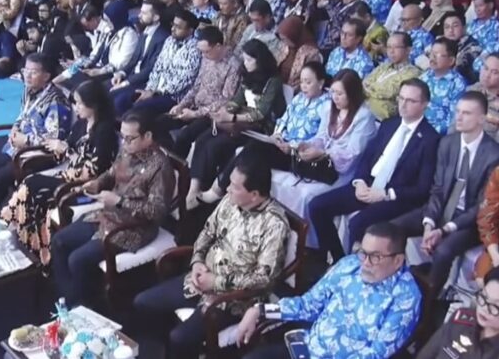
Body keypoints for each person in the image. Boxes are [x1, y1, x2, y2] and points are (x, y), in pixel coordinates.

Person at [133, 154, 290, 358]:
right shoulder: (230, 201)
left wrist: (216, 281)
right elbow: (207, 232)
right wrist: (197, 260)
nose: (228, 189)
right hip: (200, 280)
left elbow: (263, 279)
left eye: (235, 187)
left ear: (254, 194)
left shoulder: (274, 225)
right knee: (143, 303)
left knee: (180, 338)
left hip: (234, 300)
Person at [236, 222, 422, 359]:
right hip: (307, 347)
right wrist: (260, 310)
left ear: (398, 261)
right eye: (363, 253)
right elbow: (308, 305)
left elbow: (375, 354)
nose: (365, 263)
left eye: (375, 257)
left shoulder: (405, 297)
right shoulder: (350, 265)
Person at [51, 110, 175, 306]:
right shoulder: (127, 150)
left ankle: (84, 307)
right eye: (122, 137)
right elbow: (111, 173)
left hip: (134, 228)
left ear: (148, 136)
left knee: (77, 260)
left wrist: (119, 201)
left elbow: (157, 211)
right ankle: (69, 300)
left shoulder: (160, 167)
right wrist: (98, 183)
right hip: (107, 215)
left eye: (130, 138)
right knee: (59, 241)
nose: (124, 143)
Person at [309, 78, 439, 262]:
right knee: (317, 206)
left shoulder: (430, 139)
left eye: (411, 101)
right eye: (401, 98)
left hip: (394, 196)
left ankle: (355, 268)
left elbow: (422, 188)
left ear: (425, 105)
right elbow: (367, 157)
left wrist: (385, 194)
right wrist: (360, 182)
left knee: (358, 224)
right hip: (369, 184)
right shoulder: (389, 124)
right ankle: (337, 260)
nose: (403, 105)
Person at [392, 92, 499, 294]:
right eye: (458, 111)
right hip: (442, 208)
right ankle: (395, 283)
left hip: (470, 220)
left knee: (443, 251)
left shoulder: (494, 154)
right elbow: (438, 189)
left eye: (467, 113)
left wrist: (443, 230)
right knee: (394, 228)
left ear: (482, 119)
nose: (459, 117)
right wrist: (429, 224)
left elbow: (481, 206)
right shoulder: (447, 143)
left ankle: (431, 300)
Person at [0, 80, 118, 265]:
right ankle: (25, 238)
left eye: (79, 103)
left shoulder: (105, 133)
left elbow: (93, 172)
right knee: (31, 184)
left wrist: (66, 151)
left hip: (85, 186)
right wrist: (56, 148)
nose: (75, 107)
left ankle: (19, 232)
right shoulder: (82, 124)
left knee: (33, 185)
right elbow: (64, 149)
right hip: (68, 174)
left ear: (93, 105)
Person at [0, 53, 71, 214]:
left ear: (46, 76)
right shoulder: (28, 90)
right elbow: (22, 115)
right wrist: (15, 128)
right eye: (26, 70)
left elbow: (55, 140)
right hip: (15, 149)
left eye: (33, 72)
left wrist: (27, 140)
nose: (27, 75)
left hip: (36, 157)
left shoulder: (56, 101)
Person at [187, 40, 286, 208]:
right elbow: (237, 100)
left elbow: (261, 113)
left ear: (260, 60)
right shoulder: (248, 76)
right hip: (240, 122)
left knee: (215, 145)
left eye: (249, 60)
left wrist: (231, 117)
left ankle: (209, 192)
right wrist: (225, 111)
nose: (245, 63)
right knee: (203, 139)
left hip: (259, 128)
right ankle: (193, 188)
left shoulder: (273, 81)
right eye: (244, 59)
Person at [157, 26, 240, 159]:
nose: (203, 55)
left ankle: (178, 166)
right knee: (159, 123)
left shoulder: (233, 65)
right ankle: (164, 161)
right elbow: (196, 86)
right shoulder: (206, 58)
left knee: (184, 136)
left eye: (206, 51)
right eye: (201, 51)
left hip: (210, 115)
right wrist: (182, 105)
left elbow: (225, 100)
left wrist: (194, 114)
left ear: (218, 46)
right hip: (194, 106)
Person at [239, 61, 330, 173]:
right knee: (250, 147)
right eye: (301, 82)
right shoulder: (299, 98)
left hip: (298, 154)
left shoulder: (327, 105)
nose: (303, 86)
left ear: (321, 83)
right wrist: (277, 134)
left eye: (308, 82)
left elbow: (322, 137)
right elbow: (284, 119)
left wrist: (293, 147)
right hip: (282, 144)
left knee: (254, 151)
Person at [128, 9, 201, 116]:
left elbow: (184, 80)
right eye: (173, 25)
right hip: (155, 89)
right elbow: (157, 68)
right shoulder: (169, 41)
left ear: (190, 31)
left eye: (178, 27)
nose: (173, 29)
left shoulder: (195, 49)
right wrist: (150, 89)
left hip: (175, 96)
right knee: (126, 99)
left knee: (139, 108)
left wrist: (156, 92)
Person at [417, 266, 499, 358]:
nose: (485, 308)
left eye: (495, 306)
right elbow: (427, 354)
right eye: (484, 297)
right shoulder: (461, 320)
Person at [109, 0, 169, 100]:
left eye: (144, 13)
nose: (139, 15)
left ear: (156, 17)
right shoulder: (144, 31)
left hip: (144, 83)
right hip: (132, 76)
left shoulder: (163, 38)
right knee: (100, 88)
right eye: (140, 12)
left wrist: (126, 83)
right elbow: (134, 59)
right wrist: (121, 73)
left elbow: (150, 69)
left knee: (114, 97)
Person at [364, 33, 424, 120]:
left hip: (383, 119)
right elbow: (365, 82)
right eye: (389, 47)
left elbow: (388, 92)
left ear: (408, 50)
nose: (391, 51)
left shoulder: (413, 73)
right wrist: (371, 88)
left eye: (396, 47)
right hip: (365, 110)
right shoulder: (384, 66)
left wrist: (369, 89)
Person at [419, 38, 468, 134]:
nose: (432, 58)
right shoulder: (424, 76)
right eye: (431, 53)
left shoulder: (458, 84)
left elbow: (453, 120)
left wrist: (427, 131)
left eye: (438, 55)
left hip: (436, 134)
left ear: (451, 60)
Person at [275, 16, 322, 89]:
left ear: (293, 36)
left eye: (285, 39)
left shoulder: (311, 53)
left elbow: (309, 78)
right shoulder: (285, 47)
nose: (283, 42)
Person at [442, 11, 484, 84]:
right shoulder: (441, 44)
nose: (450, 30)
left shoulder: (472, 47)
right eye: (447, 27)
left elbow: (460, 71)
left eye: (455, 26)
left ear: (464, 27)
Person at [467, 53, 499, 140]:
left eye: (494, 72)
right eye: (486, 68)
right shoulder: (471, 90)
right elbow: (454, 126)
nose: (487, 75)